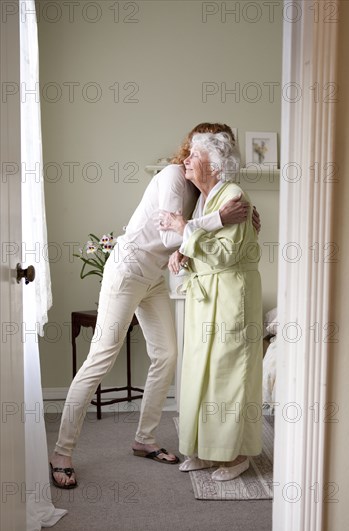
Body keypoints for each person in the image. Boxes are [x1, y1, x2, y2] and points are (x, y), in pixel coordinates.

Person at [49, 123, 257, 489]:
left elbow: (189, 236)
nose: (195, 157)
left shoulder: (205, 192)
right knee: (101, 357)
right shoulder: (173, 178)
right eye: (195, 149)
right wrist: (218, 219)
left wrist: (245, 219)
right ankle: (62, 452)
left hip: (153, 277)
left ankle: (144, 439)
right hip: (128, 270)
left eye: (205, 151)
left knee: (167, 354)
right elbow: (169, 233)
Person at [163, 132, 263, 482]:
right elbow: (204, 241)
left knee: (228, 374)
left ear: (215, 165)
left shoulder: (234, 196)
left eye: (193, 155)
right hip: (206, 295)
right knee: (199, 374)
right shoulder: (205, 199)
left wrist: (182, 231)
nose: (185, 160)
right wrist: (183, 251)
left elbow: (225, 255)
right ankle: (207, 451)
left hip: (231, 295)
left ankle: (236, 455)